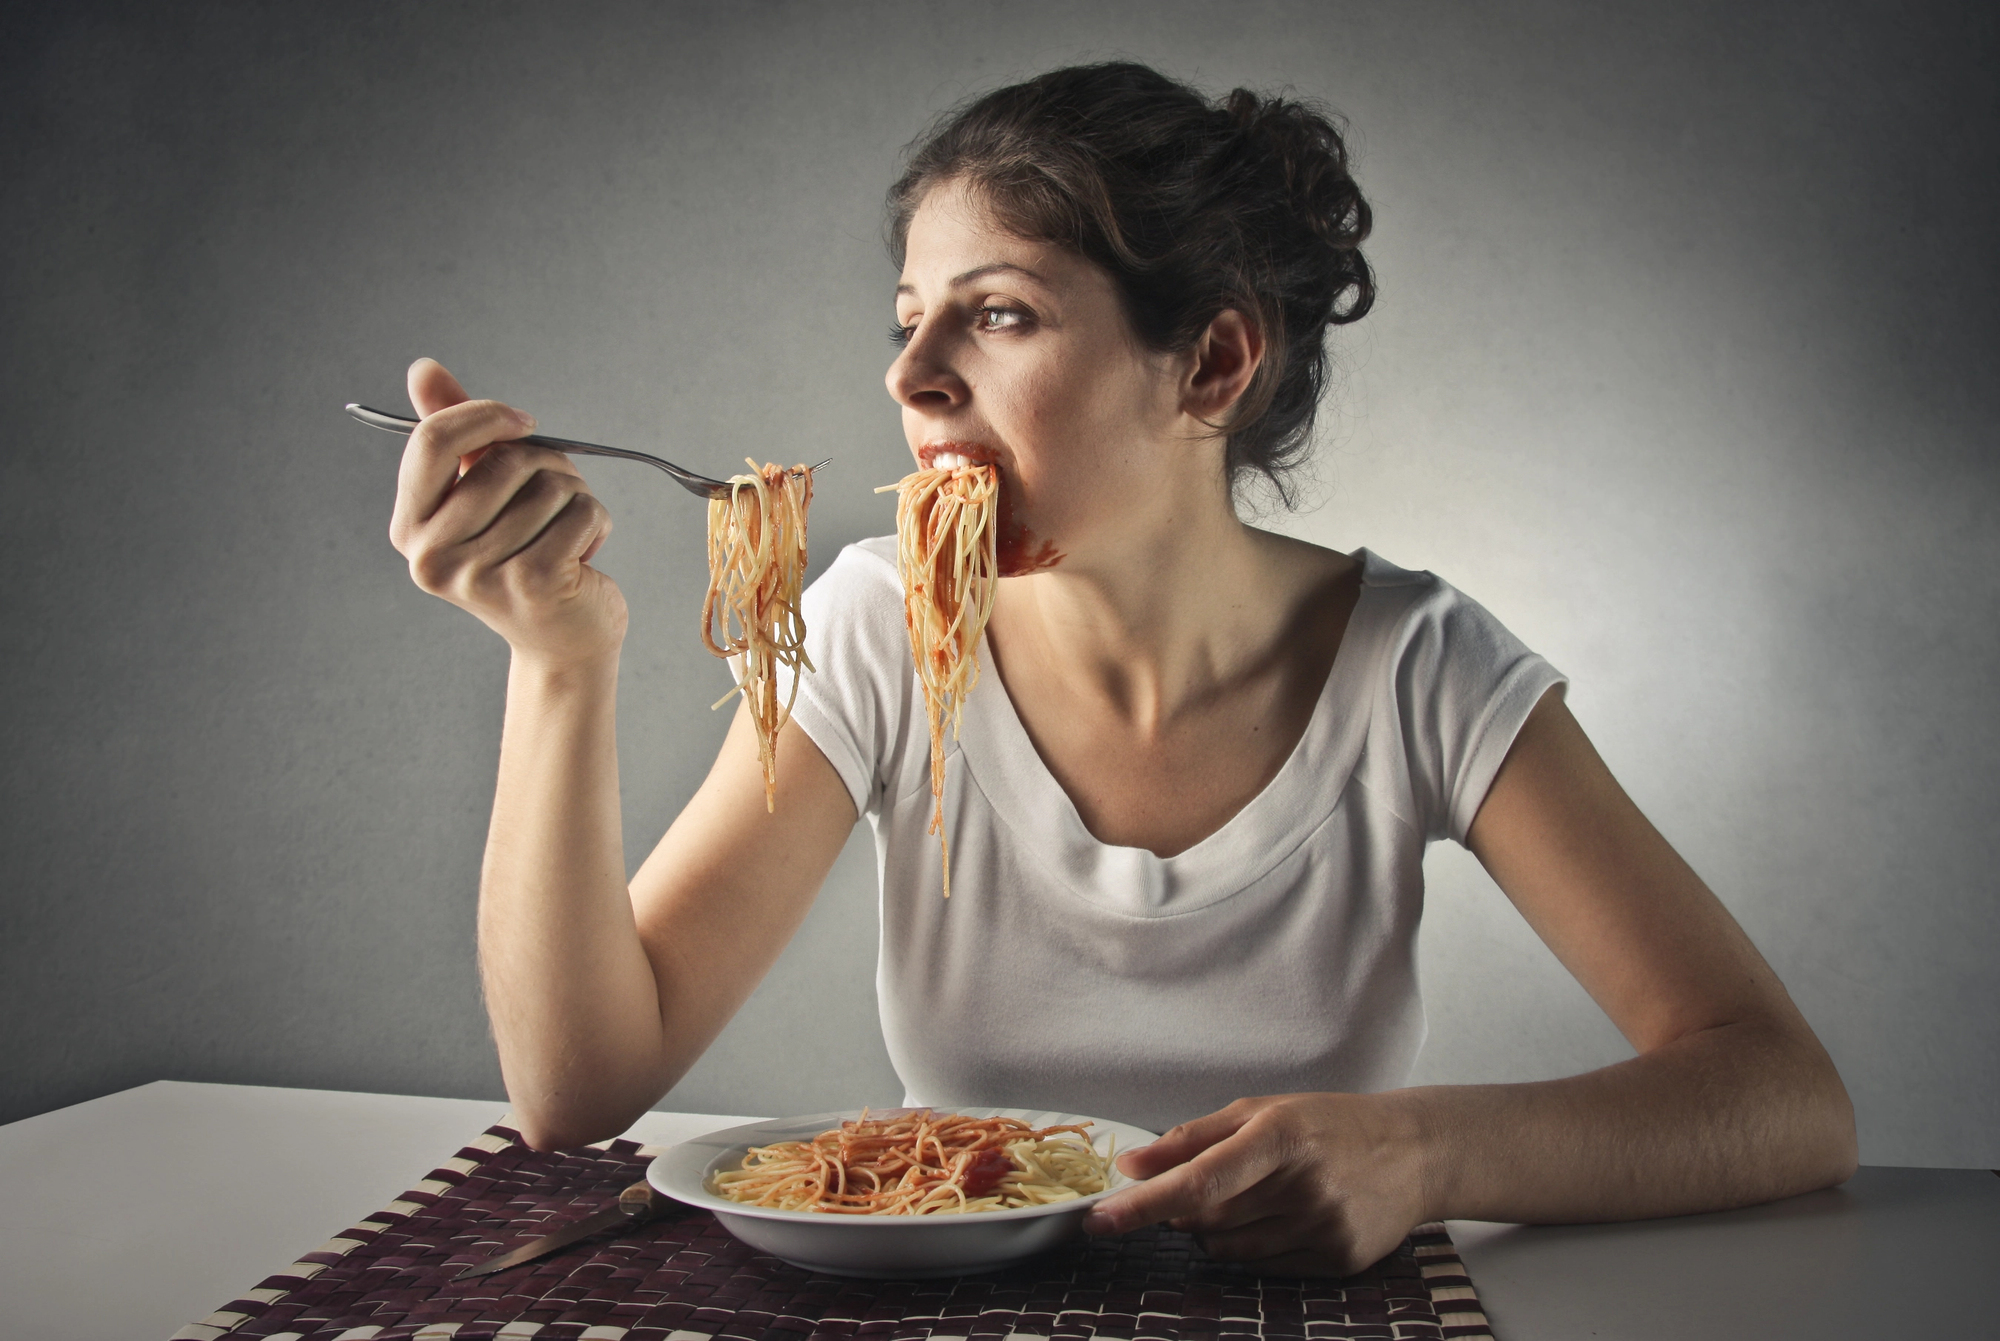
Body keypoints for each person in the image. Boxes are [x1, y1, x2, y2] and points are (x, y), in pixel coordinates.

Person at [386, 62, 1856, 1275]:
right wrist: (557, 662)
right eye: (910, 321)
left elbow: (1782, 1094)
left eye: (999, 312)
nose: (909, 377)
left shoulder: (1416, 667)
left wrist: (1429, 1146)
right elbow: (580, 1085)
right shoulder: (885, 622)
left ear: (1214, 365)